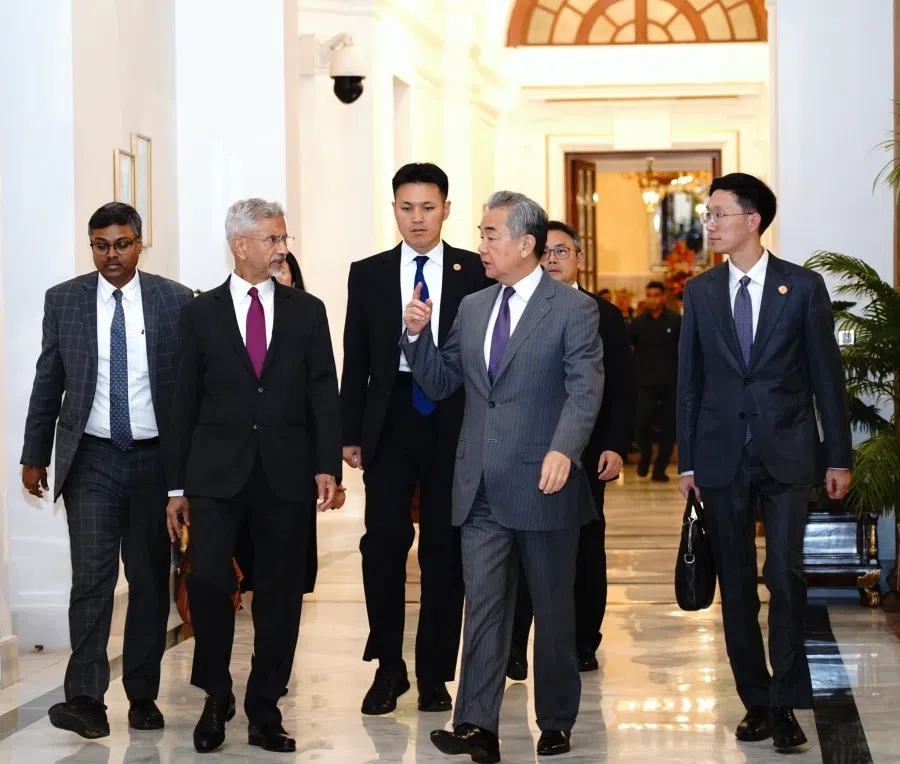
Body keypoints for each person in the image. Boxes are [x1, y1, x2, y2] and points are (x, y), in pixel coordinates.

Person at [401, 191, 603, 762]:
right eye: (483, 233)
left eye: (491, 234)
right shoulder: (472, 306)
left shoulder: (571, 309)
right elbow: (442, 384)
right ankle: (476, 725)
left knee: (553, 612)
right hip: (481, 486)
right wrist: (416, 336)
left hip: (545, 483)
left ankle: (557, 719)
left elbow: (586, 389)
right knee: (484, 607)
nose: (481, 244)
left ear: (525, 244)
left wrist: (566, 449)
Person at [678, 173, 852, 752]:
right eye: (708, 215)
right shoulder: (701, 292)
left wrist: (838, 456)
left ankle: (786, 705)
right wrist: (686, 463)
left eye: (719, 214)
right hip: (721, 457)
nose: (710, 224)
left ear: (753, 220)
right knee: (736, 585)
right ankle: (755, 700)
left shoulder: (801, 287)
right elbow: (690, 383)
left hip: (787, 453)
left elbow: (828, 378)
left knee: (785, 576)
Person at [165, 198, 341, 755]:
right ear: (241, 245)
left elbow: (322, 391)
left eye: (283, 238)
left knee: (281, 595)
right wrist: (175, 487)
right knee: (211, 582)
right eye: (272, 239)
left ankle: (266, 708)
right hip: (215, 476)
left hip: (285, 475)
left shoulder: (307, 311)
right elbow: (182, 403)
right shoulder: (199, 313)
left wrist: (326, 465)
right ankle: (216, 696)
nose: (282, 248)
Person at [20, 202, 194, 739]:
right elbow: (49, 379)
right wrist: (34, 453)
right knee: (91, 580)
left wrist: (184, 478)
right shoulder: (65, 300)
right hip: (91, 456)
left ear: (141, 243)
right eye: (100, 245)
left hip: (152, 459)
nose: (110, 255)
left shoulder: (175, 300)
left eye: (121, 244)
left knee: (146, 582)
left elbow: (187, 392)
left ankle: (142, 695)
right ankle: (86, 699)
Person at [340, 163, 490, 716]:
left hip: (454, 418)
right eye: (407, 207)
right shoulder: (371, 272)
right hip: (391, 418)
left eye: (428, 207)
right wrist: (348, 431)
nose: (417, 218)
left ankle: (433, 674)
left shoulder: (476, 270)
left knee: (444, 552)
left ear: (446, 209)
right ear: (394, 209)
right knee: (382, 542)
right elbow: (355, 355)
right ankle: (388, 667)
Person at [507, 220, 634, 680]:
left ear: (580, 257)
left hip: (585, 451)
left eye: (563, 251)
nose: (553, 259)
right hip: (524, 451)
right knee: (517, 548)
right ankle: (515, 646)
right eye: (546, 252)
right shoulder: (516, 309)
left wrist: (617, 445)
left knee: (584, 549)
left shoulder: (604, 314)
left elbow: (622, 389)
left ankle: (584, 640)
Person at [630, 281, 681, 481]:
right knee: (642, 423)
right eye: (649, 294)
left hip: (670, 381)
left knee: (670, 427)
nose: (652, 299)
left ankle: (660, 467)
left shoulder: (675, 321)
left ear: (663, 297)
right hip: (644, 381)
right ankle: (645, 456)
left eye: (656, 295)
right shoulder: (638, 322)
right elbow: (629, 348)